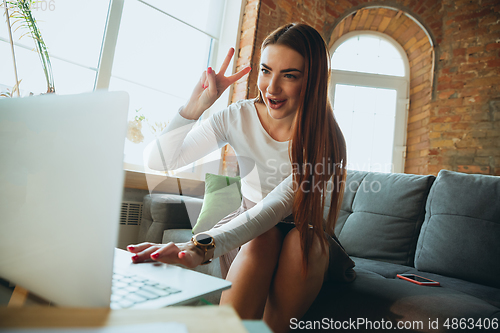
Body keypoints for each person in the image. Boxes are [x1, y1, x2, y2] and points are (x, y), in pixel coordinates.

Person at [127, 23, 355, 333]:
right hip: (248, 232)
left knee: (300, 242)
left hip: (304, 234)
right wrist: (194, 108)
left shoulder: (324, 139)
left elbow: (276, 207)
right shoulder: (236, 116)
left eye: (289, 75)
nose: (271, 88)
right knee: (262, 237)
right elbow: (159, 161)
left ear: (312, 81)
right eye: (265, 70)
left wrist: (198, 248)